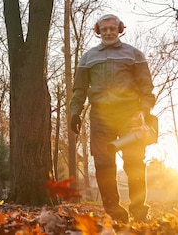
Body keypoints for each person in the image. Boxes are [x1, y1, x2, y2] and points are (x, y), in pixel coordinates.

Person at [70, 13, 156, 223]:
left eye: (112, 28)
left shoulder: (134, 54)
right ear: (98, 31)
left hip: (131, 116)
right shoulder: (88, 57)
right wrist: (75, 112)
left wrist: (144, 111)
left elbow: (146, 87)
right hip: (101, 117)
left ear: (120, 29)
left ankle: (139, 211)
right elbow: (79, 89)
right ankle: (115, 213)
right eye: (104, 29)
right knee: (103, 164)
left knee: (134, 161)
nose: (109, 32)